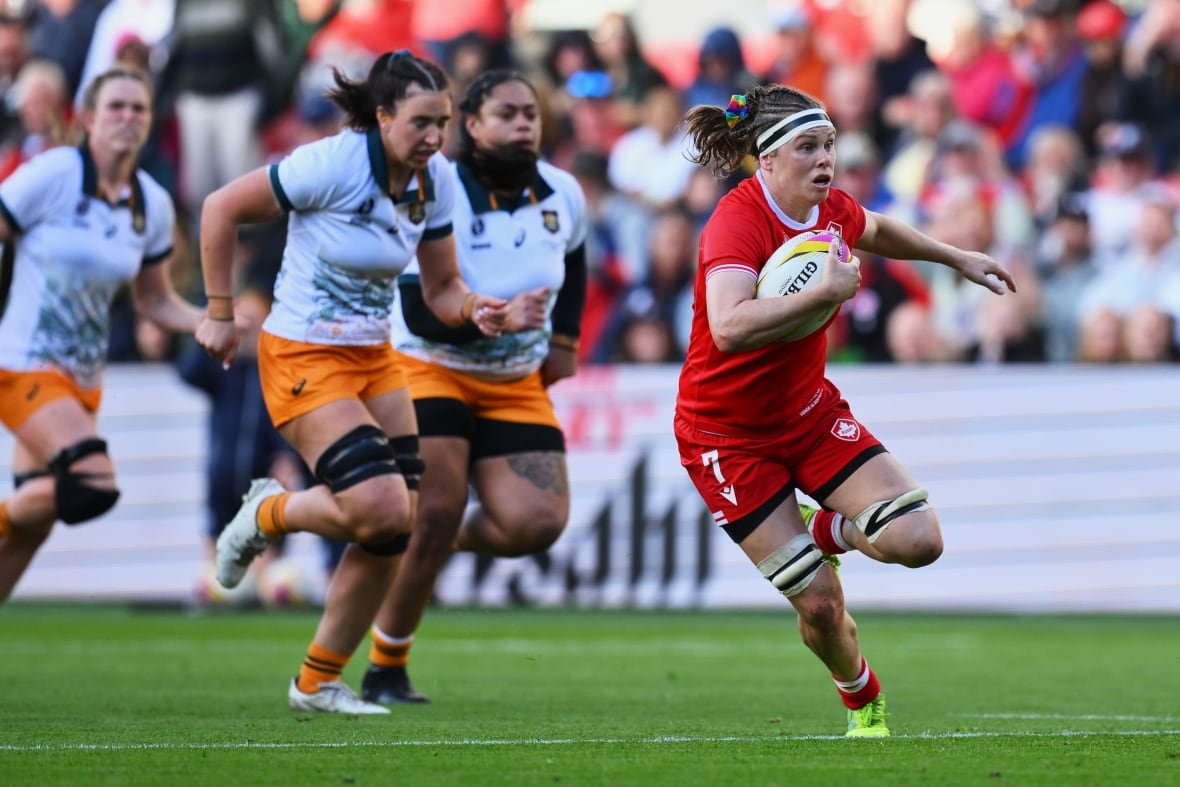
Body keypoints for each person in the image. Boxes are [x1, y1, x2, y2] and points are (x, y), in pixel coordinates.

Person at [674, 85, 1015, 737]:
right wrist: (824, 292)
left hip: (807, 414)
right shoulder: (738, 220)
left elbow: (879, 228)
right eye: (808, 146)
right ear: (768, 159)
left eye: (828, 144)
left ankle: (822, 530)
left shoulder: (831, 210)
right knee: (823, 605)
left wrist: (956, 256)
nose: (824, 158)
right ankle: (863, 699)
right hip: (726, 438)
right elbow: (728, 327)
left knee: (919, 540)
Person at [194, 50, 508, 714]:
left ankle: (316, 682)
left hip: (374, 358)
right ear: (384, 115)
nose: (434, 138)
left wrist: (473, 307)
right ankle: (267, 513)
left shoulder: (436, 179)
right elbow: (220, 209)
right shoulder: (331, 163)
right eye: (421, 122)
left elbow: (443, 285)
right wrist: (220, 314)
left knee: (396, 527)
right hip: (303, 354)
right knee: (382, 507)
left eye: (443, 123)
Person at [361, 69, 587, 704]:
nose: (524, 125)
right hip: (430, 363)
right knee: (434, 507)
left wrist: (564, 342)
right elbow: (417, 307)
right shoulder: (436, 189)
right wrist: (492, 317)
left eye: (532, 115)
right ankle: (385, 666)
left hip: (515, 378)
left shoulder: (563, 192)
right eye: (508, 114)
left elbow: (576, 261)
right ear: (472, 124)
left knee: (537, 523)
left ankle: (436, 538)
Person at [0, 67, 203, 602]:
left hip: (84, 381)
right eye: (115, 106)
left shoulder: (151, 205)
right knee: (91, 482)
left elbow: (153, 299)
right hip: (23, 363)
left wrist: (208, 321)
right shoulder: (56, 172)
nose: (128, 118)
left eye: (138, 108)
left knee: (36, 516)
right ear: (87, 118)